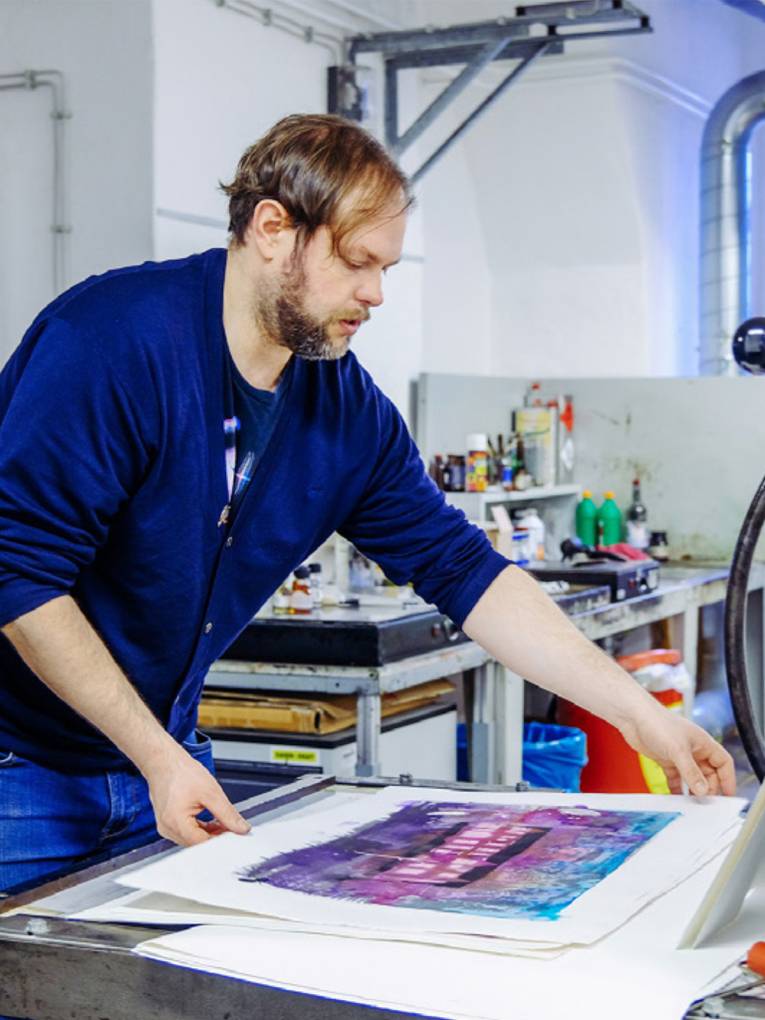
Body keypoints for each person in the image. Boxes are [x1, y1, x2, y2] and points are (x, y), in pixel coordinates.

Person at [0, 114, 735, 897]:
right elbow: (18, 572)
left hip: (161, 763)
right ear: (272, 229)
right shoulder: (113, 343)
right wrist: (157, 756)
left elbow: (465, 571)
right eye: (356, 262)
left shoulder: (342, 408)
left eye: (385, 267)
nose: (375, 294)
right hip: (21, 772)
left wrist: (638, 715)